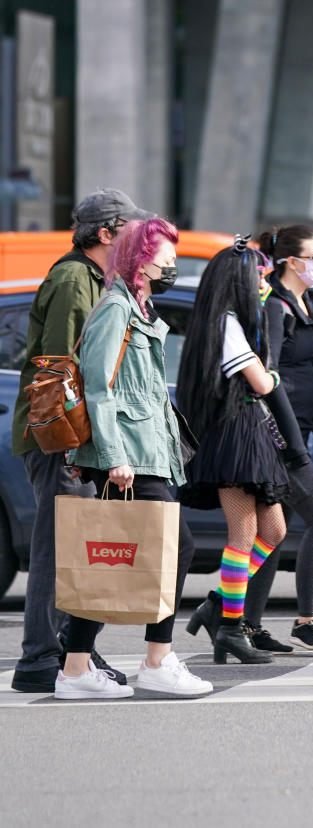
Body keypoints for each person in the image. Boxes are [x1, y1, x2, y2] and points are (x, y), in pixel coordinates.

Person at [57, 217, 211, 699]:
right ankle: (153, 661)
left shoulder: (140, 309)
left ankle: (78, 669)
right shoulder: (115, 309)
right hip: (127, 456)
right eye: (166, 259)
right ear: (140, 260)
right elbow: (99, 388)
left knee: (118, 556)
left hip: (148, 452)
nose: (172, 267)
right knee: (168, 547)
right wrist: (114, 456)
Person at [9, 189, 148, 693]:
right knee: (58, 548)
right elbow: (57, 370)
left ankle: (72, 653)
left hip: (76, 438)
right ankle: (40, 660)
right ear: (106, 233)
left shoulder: (98, 279)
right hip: (60, 439)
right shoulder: (73, 279)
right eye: (131, 230)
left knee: (78, 550)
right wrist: (71, 447)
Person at [226, 225, 313, 651]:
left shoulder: (303, 301)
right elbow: (269, 378)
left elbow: (309, 374)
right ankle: (306, 619)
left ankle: (239, 620)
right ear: (290, 261)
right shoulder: (276, 307)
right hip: (277, 437)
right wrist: (292, 444)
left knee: (273, 531)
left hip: (301, 433)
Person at [178, 238, 289, 665]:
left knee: (273, 532)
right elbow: (261, 382)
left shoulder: (231, 322)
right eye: (258, 276)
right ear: (239, 281)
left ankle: (216, 605)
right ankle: (230, 627)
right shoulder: (226, 325)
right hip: (235, 437)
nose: (263, 282)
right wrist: (274, 376)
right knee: (243, 536)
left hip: (247, 435)